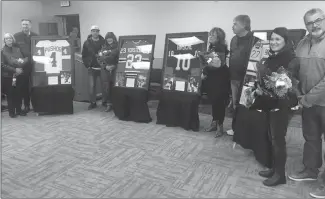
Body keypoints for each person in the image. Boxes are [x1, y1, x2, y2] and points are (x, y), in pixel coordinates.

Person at [286, 8, 325, 198]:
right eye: (310, 23)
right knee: (311, 138)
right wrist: (296, 91)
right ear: (305, 26)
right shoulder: (302, 43)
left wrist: (307, 99)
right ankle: (311, 170)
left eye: (318, 20)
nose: (314, 25)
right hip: (307, 103)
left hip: (320, 102)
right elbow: (294, 70)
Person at [252, 27, 296, 187]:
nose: (274, 42)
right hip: (270, 103)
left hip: (282, 105)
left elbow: (285, 86)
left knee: (278, 140)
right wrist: (259, 88)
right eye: (272, 39)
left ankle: (280, 175)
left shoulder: (290, 59)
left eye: (278, 39)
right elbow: (266, 81)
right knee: (272, 137)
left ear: (285, 41)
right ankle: (274, 168)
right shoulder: (270, 58)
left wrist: (271, 89)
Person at [226, 15, 259, 136]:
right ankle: (235, 128)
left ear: (244, 25)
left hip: (247, 79)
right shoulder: (233, 39)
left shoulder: (255, 40)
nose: (232, 26)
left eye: (235, 24)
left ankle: (246, 130)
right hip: (234, 77)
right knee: (235, 104)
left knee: (247, 104)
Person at [202, 27, 231, 137]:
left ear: (219, 38)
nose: (210, 37)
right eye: (209, 35)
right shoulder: (211, 47)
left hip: (220, 79)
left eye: (212, 35)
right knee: (214, 102)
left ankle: (220, 127)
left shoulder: (221, 48)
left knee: (219, 103)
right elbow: (209, 63)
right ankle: (214, 123)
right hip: (212, 79)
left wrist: (205, 68)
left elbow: (216, 65)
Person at [13, 19, 38, 113]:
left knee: (36, 85)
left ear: (30, 25)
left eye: (26, 24)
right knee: (24, 86)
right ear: (21, 25)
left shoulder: (36, 36)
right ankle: (26, 105)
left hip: (36, 65)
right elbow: (14, 51)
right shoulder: (16, 36)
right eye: (23, 24)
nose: (25, 26)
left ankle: (36, 105)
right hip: (23, 65)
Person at [1, 33, 29, 117]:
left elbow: (22, 59)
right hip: (9, 76)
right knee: (11, 94)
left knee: (18, 93)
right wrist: (14, 70)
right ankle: (12, 112)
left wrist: (21, 65)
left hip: (18, 75)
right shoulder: (2, 51)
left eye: (10, 38)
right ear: (4, 41)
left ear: (13, 40)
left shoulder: (17, 49)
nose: (9, 40)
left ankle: (19, 110)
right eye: (7, 39)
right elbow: (2, 65)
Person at [81, 25, 106, 110]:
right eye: (93, 31)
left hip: (103, 68)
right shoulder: (86, 42)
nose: (95, 32)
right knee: (92, 86)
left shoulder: (104, 42)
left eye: (96, 31)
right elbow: (84, 55)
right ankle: (93, 102)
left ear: (99, 32)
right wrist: (87, 65)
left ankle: (105, 102)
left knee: (104, 86)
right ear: (91, 32)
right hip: (92, 68)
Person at [97, 32, 119, 112]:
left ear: (114, 38)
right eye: (108, 38)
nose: (109, 39)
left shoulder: (118, 48)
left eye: (111, 38)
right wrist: (105, 66)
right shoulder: (103, 48)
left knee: (115, 87)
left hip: (115, 70)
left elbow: (121, 59)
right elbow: (99, 59)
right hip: (105, 70)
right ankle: (108, 104)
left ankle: (116, 104)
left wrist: (115, 66)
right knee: (106, 87)